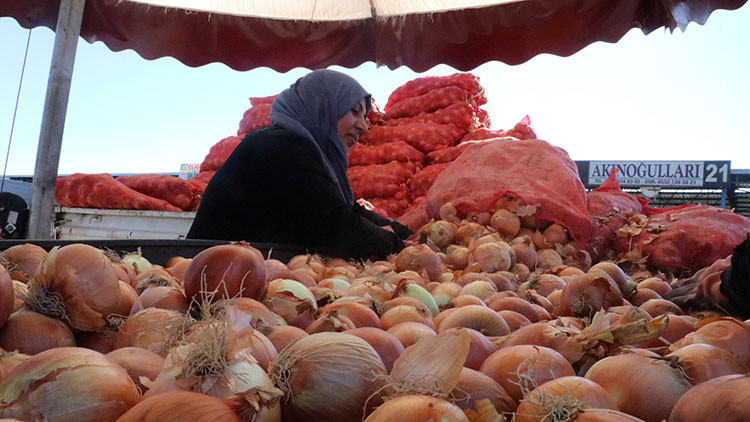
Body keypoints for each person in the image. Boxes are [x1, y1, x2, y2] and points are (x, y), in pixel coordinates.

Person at [187, 69, 412, 260]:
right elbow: (335, 225)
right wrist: (401, 248)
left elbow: (346, 209)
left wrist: (404, 233)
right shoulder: (281, 147)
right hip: (215, 277)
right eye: (354, 112)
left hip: (247, 270)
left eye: (364, 116)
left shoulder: (301, 150)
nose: (363, 126)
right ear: (322, 107)